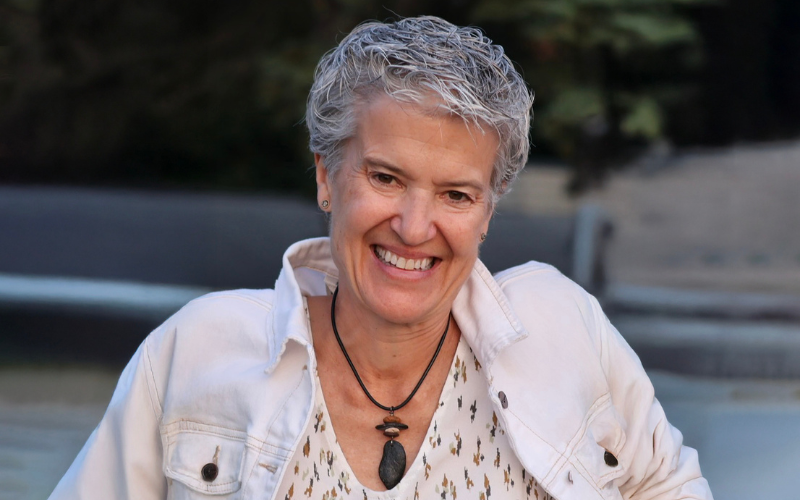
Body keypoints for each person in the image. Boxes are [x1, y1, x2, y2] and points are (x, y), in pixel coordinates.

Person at [49, 16, 712, 500]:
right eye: (386, 178)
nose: (415, 226)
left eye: (456, 194)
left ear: (486, 213)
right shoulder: (197, 351)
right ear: (326, 177)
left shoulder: (563, 327)